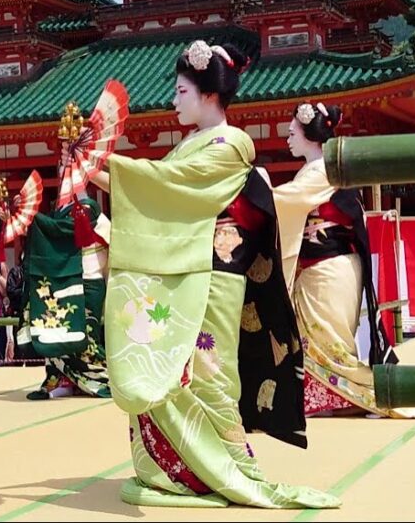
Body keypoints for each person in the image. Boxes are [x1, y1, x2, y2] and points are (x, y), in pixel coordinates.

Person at [87, 40, 338, 509]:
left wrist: (99, 166)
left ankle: (228, 467)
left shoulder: (230, 144)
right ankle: (175, 470)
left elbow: (163, 188)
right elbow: (153, 191)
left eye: (181, 91)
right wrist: (91, 168)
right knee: (167, 367)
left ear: (208, 94)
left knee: (209, 374)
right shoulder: (189, 145)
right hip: (182, 269)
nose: (174, 100)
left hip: (215, 273)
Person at [273, 102, 415, 419]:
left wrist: (251, 192)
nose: (287, 139)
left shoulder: (321, 171)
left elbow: (285, 200)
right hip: (324, 267)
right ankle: (331, 399)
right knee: (313, 338)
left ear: (308, 135)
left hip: (329, 266)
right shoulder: (316, 170)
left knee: (329, 342)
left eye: (292, 133)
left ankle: (375, 391)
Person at [16, 196, 112, 400]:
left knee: (86, 337)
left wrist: (33, 217)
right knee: (56, 328)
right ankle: (60, 381)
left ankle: (98, 379)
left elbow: (63, 229)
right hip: (65, 277)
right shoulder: (58, 214)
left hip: (90, 280)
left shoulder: (91, 209)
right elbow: (53, 232)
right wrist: (22, 219)